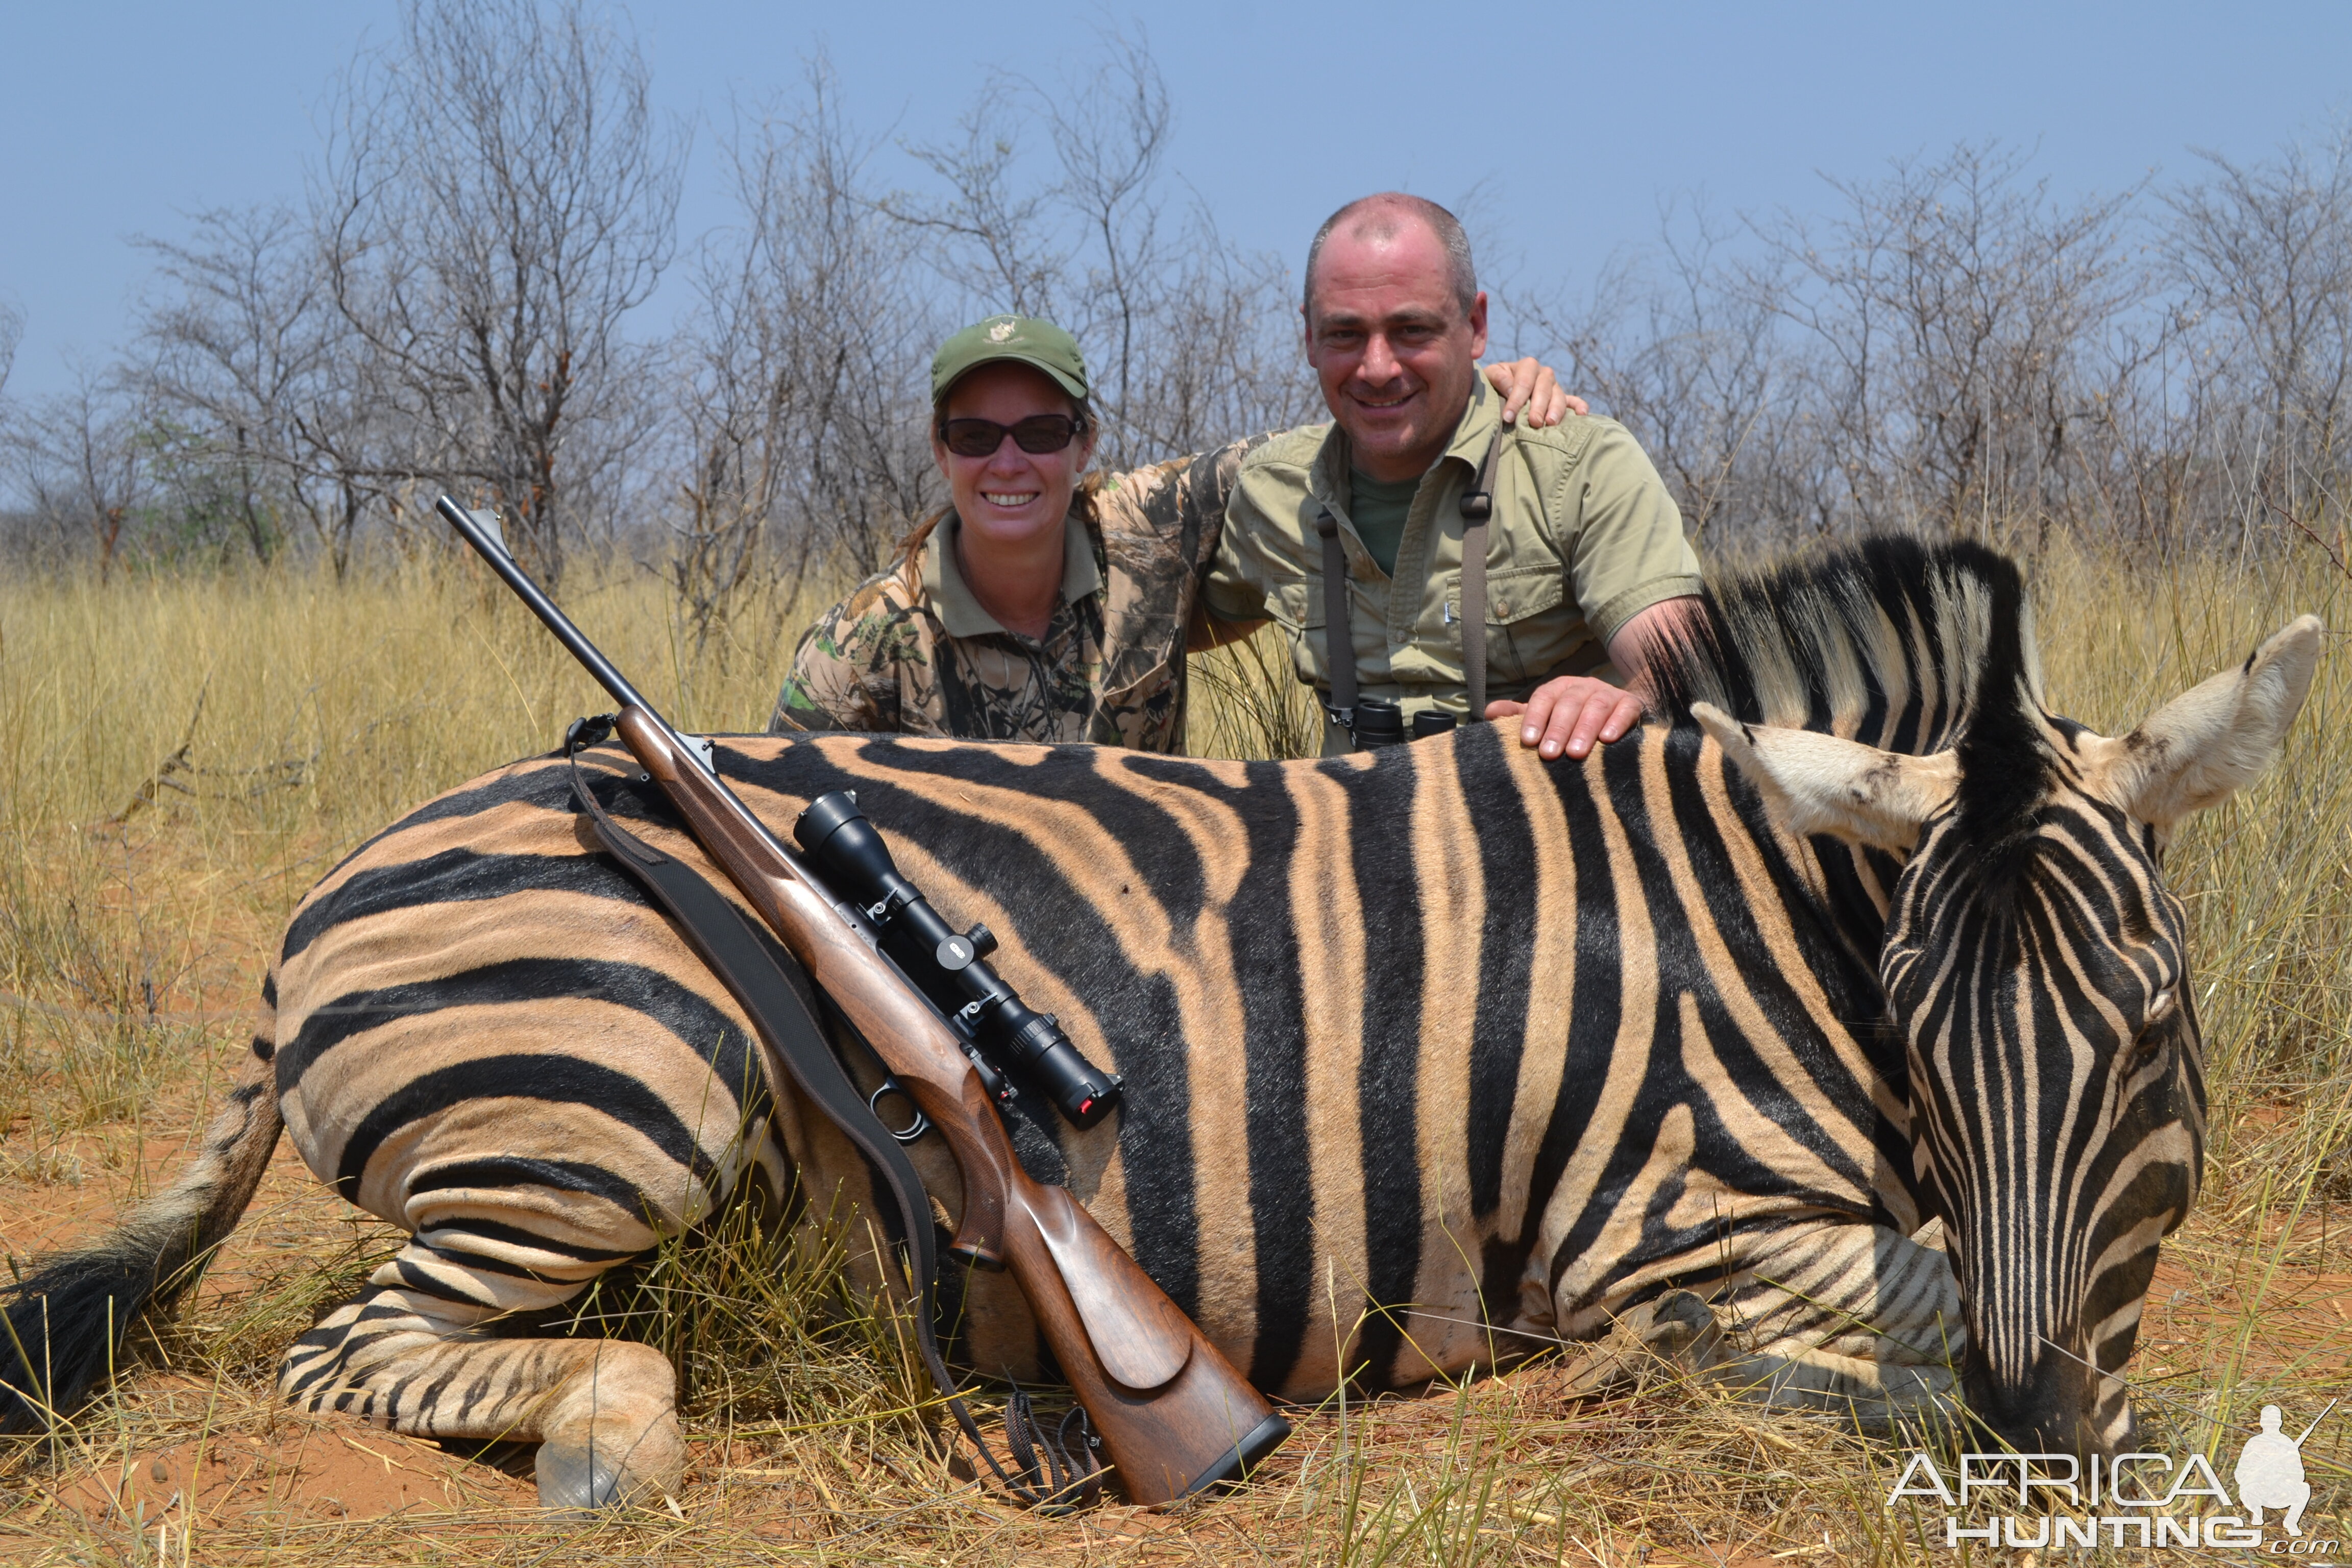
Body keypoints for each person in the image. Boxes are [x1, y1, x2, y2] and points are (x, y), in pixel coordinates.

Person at [769, 313, 1577, 750]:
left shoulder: (1150, 526)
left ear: (1085, 444)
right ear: (942, 452)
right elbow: (769, 830)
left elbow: (1336, 446)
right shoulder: (863, 644)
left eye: (1042, 434)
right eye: (977, 437)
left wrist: (1464, 393)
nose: (1009, 463)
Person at [1197, 193, 1703, 759]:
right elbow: (1166, 626)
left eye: (1412, 330)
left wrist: (1612, 699)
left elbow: (1682, 666)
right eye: (1345, 334)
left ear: (1476, 325)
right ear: (1310, 338)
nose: (1378, 368)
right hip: (1344, 835)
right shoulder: (1271, 492)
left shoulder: (1579, 466)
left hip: (1539, 830)